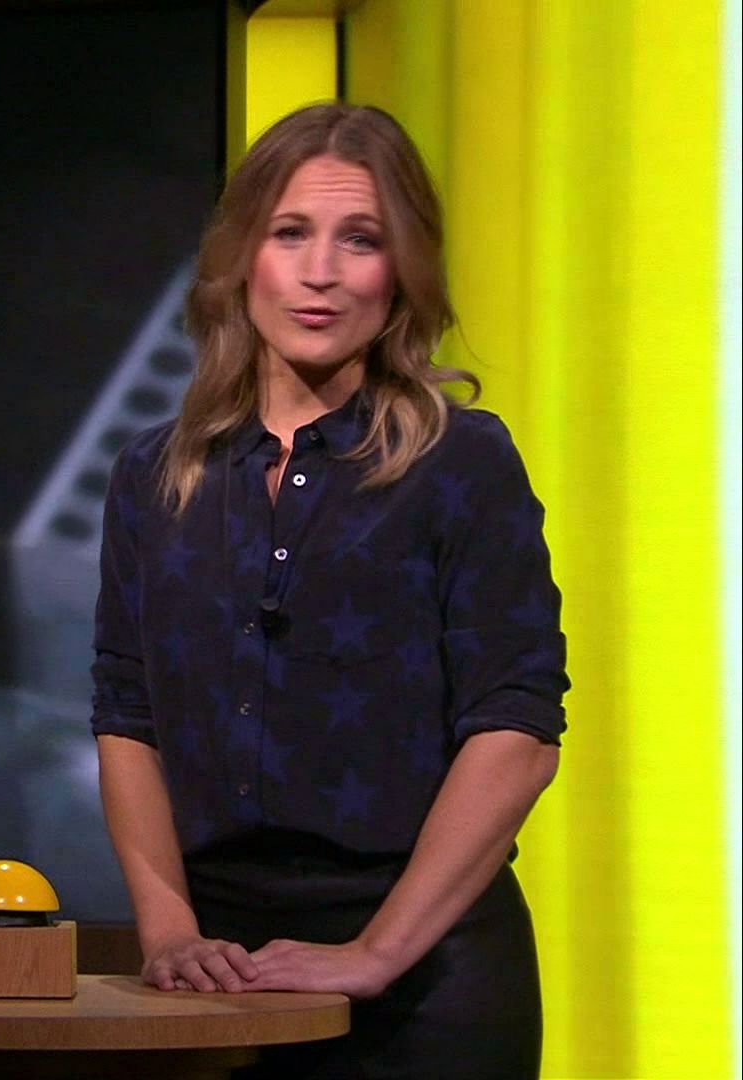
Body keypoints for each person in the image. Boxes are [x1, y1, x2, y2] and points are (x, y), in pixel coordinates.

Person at [90, 101, 568, 1080]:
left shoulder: (462, 464)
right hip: (214, 973)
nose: (321, 272)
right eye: (290, 234)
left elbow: (517, 731)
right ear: (241, 258)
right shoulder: (154, 474)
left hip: (427, 975)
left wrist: (376, 953)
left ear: (404, 271)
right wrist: (169, 931)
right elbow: (127, 715)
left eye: (361, 239)